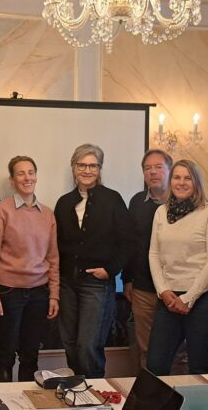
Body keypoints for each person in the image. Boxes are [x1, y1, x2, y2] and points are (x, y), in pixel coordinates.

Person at [54, 144, 131, 378]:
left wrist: (110, 270)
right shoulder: (64, 202)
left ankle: (93, 391)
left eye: (93, 166)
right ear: (73, 167)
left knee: (88, 345)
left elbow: (128, 241)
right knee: (69, 342)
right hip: (67, 284)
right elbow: (55, 244)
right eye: (82, 165)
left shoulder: (112, 199)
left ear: (99, 169)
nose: (87, 170)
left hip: (96, 284)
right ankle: (76, 389)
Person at [0, 155, 60, 382]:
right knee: (5, 354)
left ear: (36, 176)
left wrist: (54, 295)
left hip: (39, 293)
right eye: (21, 173)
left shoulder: (47, 214)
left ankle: (27, 399)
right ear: (12, 180)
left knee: (30, 356)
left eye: (31, 172)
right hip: (9, 293)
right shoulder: (1, 210)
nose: (27, 178)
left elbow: (53, 257)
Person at [146, 159, 208, 375]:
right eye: (177, 177)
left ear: (196, 182)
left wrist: (189, 297)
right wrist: (163, 290)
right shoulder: (161, 212)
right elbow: (154, 254)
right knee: (155, 365)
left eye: (187, 178)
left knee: (198, 368)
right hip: (169, 298)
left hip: (204, 299)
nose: (181, 183)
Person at [121, 149, 172, 369]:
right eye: (147, 168)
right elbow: (130, 243)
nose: (152, 172)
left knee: (178, 351)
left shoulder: (184, 202)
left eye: (158, 167)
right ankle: (149, 390)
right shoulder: (137, 202)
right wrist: (127, 279)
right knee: (146, 349)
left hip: (176, 288)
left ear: (170, 170)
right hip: (143, 288)